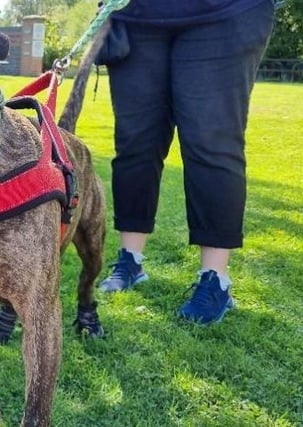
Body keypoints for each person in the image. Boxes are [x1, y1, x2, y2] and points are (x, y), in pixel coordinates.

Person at [97, 0, 276, 324]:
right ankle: (130, 259)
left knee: (211, 142)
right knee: (135, 142)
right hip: (136, 15)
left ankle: (215, 278)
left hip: (226, 11)